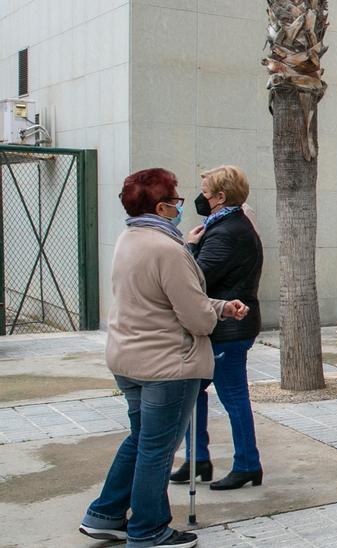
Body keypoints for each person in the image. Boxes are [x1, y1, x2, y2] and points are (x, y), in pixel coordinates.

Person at [79, 168, 248, 548]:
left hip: (129, 357)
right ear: (160, 207)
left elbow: (156, 300)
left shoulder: (129, 238)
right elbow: (195, 317)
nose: (181, 207)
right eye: (176, 201)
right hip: (167, 365)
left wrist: (219, 306)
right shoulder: (168, 249)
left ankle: (104, 514)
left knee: (141, 440)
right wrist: (213, 313)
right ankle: (149, 529)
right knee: (157, 449)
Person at [169, 165, 264, 491]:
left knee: (233, 397)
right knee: (193, 392)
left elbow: (196, 277)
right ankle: (198, 460)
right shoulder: (223, 226)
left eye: (206, 192)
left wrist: (190, 248)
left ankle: (247, 464)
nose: (200, 197)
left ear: (220, 197)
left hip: (229, 329)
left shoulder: (228, 231)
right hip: (220, 327)